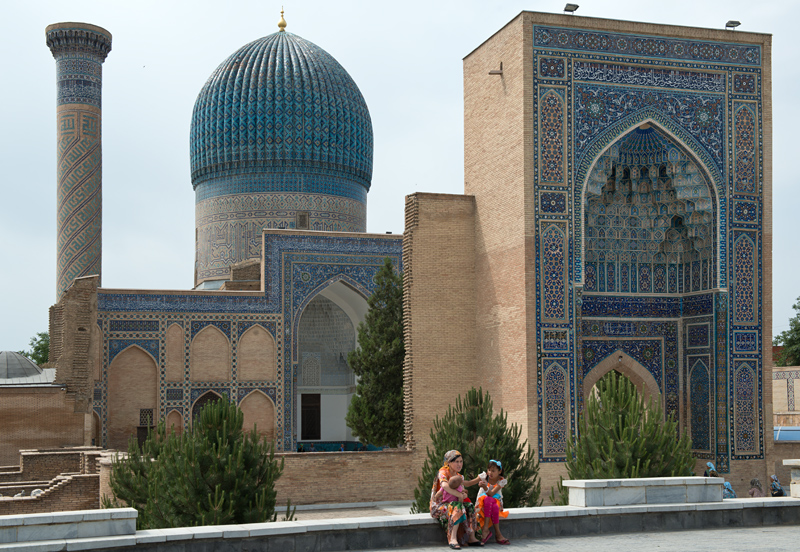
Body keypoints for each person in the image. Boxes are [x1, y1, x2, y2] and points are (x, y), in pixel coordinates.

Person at [428, 450, 484, 549]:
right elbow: (444, 486)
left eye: (461, 461)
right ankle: (452, 538)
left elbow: (464, 487)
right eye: (456, 461)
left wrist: (463, 494)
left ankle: (471, 537)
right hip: (439, 505)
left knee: (470, 506)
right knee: (457, 506)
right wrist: (459, 494)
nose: (459, 464)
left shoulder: (458, 476)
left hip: (453, 503)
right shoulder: (443, 472)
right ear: (449, 462)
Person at [476, 459, 510, 545]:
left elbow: (491, 493)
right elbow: (469, 483)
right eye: (489, 470)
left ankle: (485, 530)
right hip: (482, 502)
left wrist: (484, 486)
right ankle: (498, 535)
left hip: (495, 502)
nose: (490, 473)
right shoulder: (484, 477)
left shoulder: (501, 481)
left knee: (491, 501)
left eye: (493, 471)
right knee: (488, 499)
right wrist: (459, 480)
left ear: (499, 471)